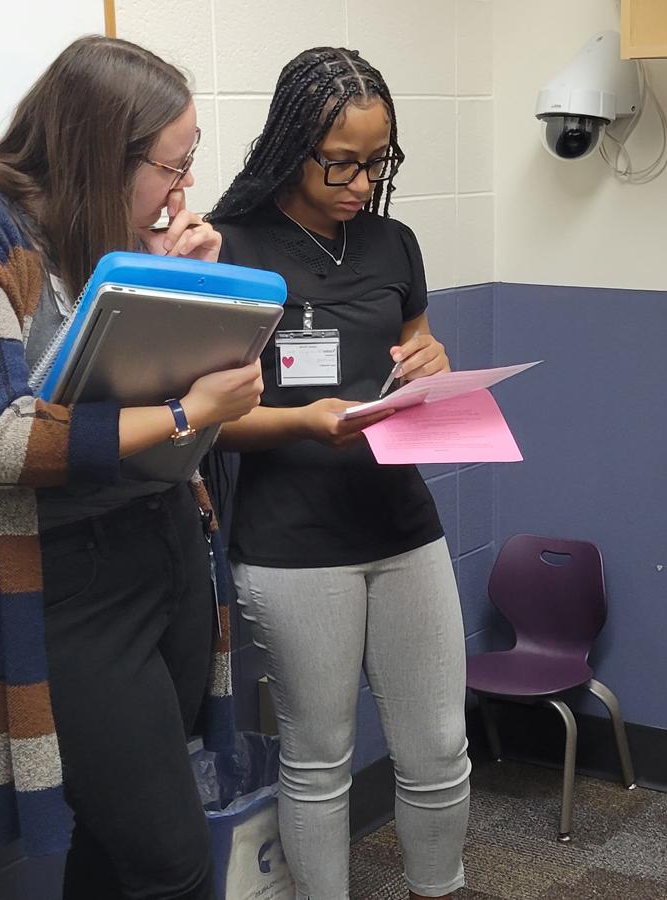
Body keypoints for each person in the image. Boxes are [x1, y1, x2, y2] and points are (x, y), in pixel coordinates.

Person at [0, 34, 263, 900]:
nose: (182, 189)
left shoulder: (101, 233)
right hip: (55, 579)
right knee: (173, 862)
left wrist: (176, 294)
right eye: (173, 165)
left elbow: (101, 384)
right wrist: (186, 410)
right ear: (102, 152)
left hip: (157, 544)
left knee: (121, 844)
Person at [208, 47, 471, 900]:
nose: (362, 181)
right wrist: (304, 421)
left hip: (403, 525)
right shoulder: (231, 248)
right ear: (292, 146)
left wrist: (431, 363)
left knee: (437, 748)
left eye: (378, 160)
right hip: (293, 544)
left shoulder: (395, 243)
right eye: (342, 163)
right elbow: (204, 418)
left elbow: (414, 353)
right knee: (319, 760)